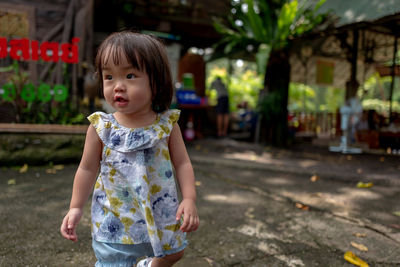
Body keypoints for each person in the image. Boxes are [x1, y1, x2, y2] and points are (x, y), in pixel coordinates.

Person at [60, 31, 199, 267]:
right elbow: (86, 169)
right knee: (116, 262)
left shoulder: (166, 125)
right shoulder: (101, 127)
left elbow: (183, 163)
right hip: (115, 217)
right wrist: (75, 207)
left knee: (173, 253)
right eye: (109, 77)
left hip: (160, 214)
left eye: (130, 75)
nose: (118, 86)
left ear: (155, 81)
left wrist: (189, 198)